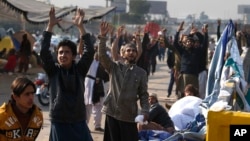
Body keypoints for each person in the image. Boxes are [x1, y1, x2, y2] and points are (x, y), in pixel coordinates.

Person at [40, 7, 94, 141]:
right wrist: (50, 26)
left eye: (67, 52)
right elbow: (44, 52)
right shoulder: (53, 71)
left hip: (78, 120)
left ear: (74, 56)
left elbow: (90, 52)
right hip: (59, 120)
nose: (63, 55)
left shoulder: (80, 70)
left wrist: (81, 27)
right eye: (60, 52)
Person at [98, 21, 150, 141]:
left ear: (137, 54)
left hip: (129, 116)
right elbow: (102, 56)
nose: (131, 52)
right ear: (123, 53)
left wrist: (145, 111)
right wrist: (103, 37)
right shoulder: (114, 67)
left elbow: (143, 94)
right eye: (128, 50)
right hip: (112, 113)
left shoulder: (141, 73)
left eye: (133, 51)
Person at [0, 76, 43, 141]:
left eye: (32, 93)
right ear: (15, 97)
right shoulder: (2, 116)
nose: (31, 97)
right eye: (27, 94)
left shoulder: (38, 116)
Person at [84, 52, 109, 132]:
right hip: (90, 84)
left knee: (99, 105)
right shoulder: (90, 61)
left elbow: (107, 75)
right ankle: (85, 126)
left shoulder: (103, 63)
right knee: (88, 105)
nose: (98, 54)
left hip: (100, 85)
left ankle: (97, 125)